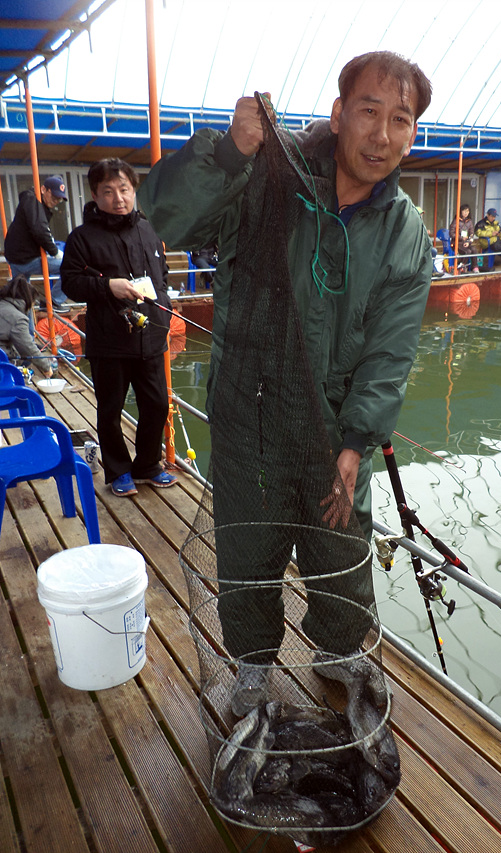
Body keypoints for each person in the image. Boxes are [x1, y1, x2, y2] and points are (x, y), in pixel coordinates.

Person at [139, 51, 433, 713]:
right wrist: (227, 154)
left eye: (400, 119)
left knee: (341, 547)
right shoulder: (267, 176)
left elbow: (390, 354)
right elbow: (166, 218)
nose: (381, 134)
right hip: (250, 416)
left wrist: (357, 443)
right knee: (247, 547)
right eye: (369, 111)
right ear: (339, 112)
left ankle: (339, 649)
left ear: (413, 133)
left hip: (335, 429)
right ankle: (251, 665)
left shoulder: (405, 231)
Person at [60, 158, 178, 497]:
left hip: (151, 335)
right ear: (95, 195)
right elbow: (70, 283)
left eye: (124, 189)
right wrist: (108, 286)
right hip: (109, 338)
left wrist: (164, 309)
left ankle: (147, 466)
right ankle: (118, 471)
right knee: (111, 408)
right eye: (108, 191)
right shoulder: (82, 238)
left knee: (157, 404)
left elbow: (162, 275)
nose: (118, 198)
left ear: (133, 190)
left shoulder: (148, 229)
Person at [3, 176, 70, 314]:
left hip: (16, 258)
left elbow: (40, 230)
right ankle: (54, 301)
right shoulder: (33, 201)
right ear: (43, 189)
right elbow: (40, 230)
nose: (56, 202)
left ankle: (26, 328)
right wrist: (55, 252)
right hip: (26, 259)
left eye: (59, 199)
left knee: (24, 301)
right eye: (54, 197)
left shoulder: (33, 202)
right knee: (72, 267)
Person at [0, 275, 53, 376]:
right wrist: (46, 367)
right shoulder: (18, 318)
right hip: (2, 361)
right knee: (27, 360)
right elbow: (28, 348)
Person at [449, 203, 479, 272]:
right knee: (467, 251)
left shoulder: (469, 221)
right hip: (456, 243)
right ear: (461, 211)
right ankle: (461, 266)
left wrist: (468, 242)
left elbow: (471, 234)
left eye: (467, 211)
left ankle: (475, 267)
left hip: (466, 242)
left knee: (474, 250)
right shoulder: (456, 221)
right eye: (464, 211)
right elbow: (451, 233)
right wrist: (461, 238)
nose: (466, 213)